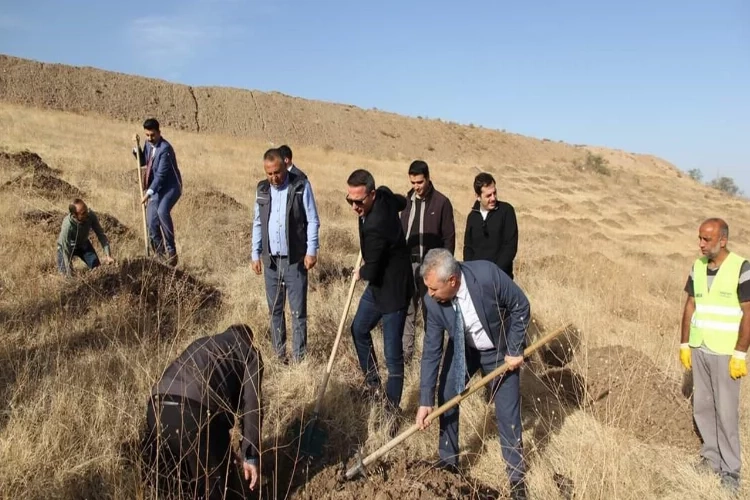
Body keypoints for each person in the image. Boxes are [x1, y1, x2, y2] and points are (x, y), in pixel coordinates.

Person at [416, 248, 530, 500]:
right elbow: (431, 351)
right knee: (447, 396)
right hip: (463, 350)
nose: (430, 294)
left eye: (434, 288)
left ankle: (516, 479)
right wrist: (425, 400)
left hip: (499, 351)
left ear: (452, 281)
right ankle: (449, 463)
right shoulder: (432, 303)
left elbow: (520, 306)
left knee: (507, 411)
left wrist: (514, 349)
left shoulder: (487, 275)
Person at [141, 324, 263, 499]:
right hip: (194, 413)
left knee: (177, 488)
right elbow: (252, 406)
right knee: (220, 488)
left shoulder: (203, 343)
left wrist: (226, 450)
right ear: (250, 339)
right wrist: (250, 456)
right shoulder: (250, 352)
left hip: (156, 408)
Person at [680, 218, 749, 496]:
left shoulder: (742, 268)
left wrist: (740, 352)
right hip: (700, 348)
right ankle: (710, 459)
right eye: (700, 238)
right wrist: (684, 343)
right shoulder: (697, 267)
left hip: (726, 352)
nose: (701, 244)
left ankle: (731, 470)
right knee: (703, 407)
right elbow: (690, 304)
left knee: (726, 411)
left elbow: (749, 312)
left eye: (706, 239)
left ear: (723, 240)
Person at [347, 169, 413, 421]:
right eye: (349, 200)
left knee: (392, 356)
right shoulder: (384, 194)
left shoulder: (376, 226)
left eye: (359, 201)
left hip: (393, 290)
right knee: (359, 329)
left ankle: (391, 411)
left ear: (372, 194)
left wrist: (360, 272)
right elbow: (402, 202)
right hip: (379, 286)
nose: (354, 206)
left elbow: (372, 269)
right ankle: (374, 384)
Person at [251, 148, 319, 363]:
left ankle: (299, 358)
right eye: (269, 173)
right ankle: (279, 357)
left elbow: (313, 220)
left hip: (295, 261)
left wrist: (311, 251)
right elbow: (258, 222)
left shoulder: (300, 185)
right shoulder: (262, 190)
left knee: (298, 313)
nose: (274, 177)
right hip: (270, 261)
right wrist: (255, 253)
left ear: (285, 165)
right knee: (275, 311)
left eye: (277, 172)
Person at [399, 160, 455, 364]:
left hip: (431, 268)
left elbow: (449, 238)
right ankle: (406, 356)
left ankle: (432, 359)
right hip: (408, 265)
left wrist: (444, 269)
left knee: (432, 314)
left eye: (420, 182)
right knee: (408, 311)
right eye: (413, 182)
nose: (416, 186)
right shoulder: (406, 202)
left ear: (428, 177)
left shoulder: (441, 203)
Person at [132, 118, 183, 266]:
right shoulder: (148, 144)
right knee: (151, 221)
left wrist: (148, 193)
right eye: (147, 135)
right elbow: (143, 162)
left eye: (152, 135)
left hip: (171, 187)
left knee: (162, 212)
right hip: (156, 189)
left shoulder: (165, 149)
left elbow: (160, 176)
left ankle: (171, 251)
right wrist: (136, 149)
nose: (149, 138)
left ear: (159, 133)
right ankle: (160, 256)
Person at [463, 172, 518, 280]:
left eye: (494, 193)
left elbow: (510, 247)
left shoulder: (506, 211)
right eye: (488, 195)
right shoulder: (472, 217)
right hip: (477, 279)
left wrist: (494, 273)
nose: (493, 198)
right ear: (478, 197)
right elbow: (468, 248)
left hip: (501, 278)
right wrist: (470, 272)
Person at [56, 198, 114, 276]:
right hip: (67, 247)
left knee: (97, 268)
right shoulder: (67, 225)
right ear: (74, 215)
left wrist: (108, 255)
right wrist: (69, 272)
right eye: (83, 213)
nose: (87, 214)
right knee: (66, 275)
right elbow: (65, 249)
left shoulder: (91, 215)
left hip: (83, 244)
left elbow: (101, 235)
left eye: (86, 210)